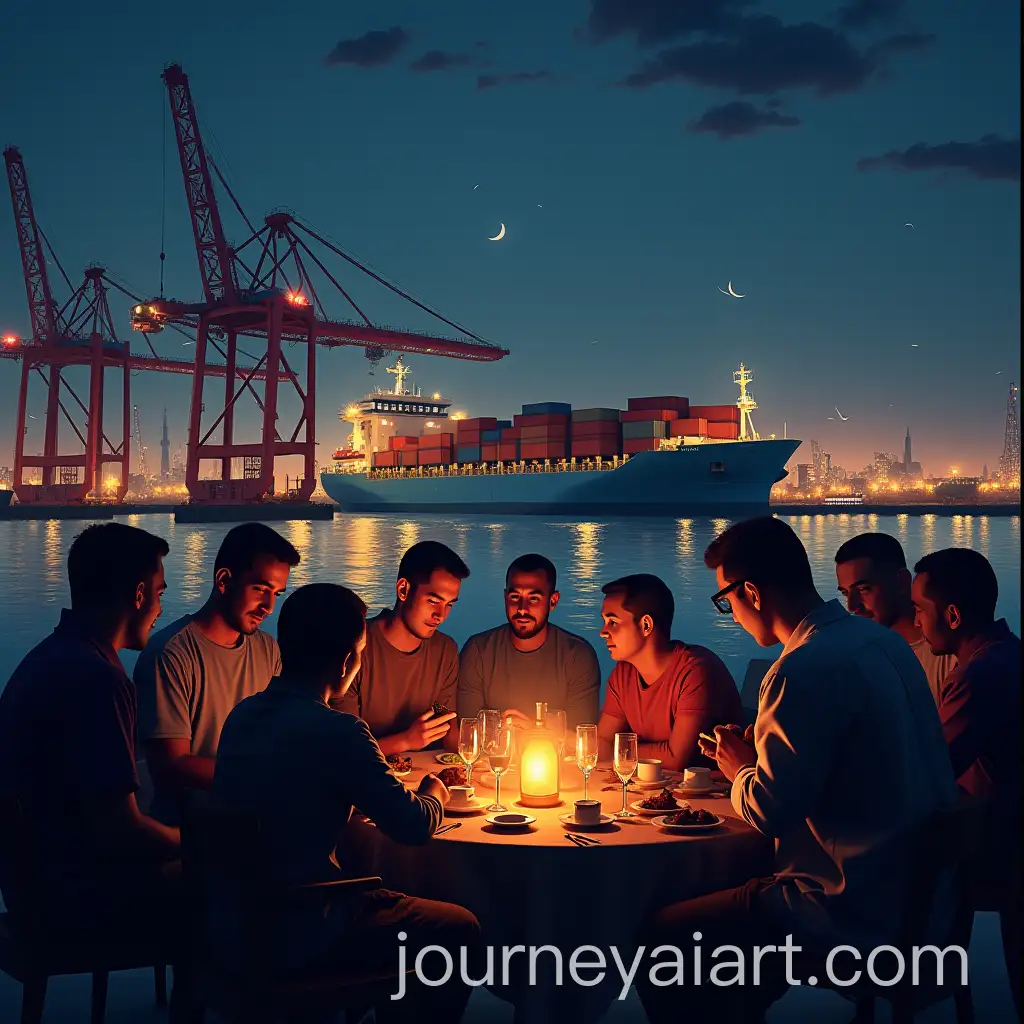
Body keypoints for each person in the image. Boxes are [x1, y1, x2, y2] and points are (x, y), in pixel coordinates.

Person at [634, 516, 957, 1024]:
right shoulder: (884, 644)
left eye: (726, 600)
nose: (731, 615)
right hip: (926, 900)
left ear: (753, 593)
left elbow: (772, 812)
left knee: (663, 937)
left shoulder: (799, 670)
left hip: (848, 910)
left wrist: (740, 766)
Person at [211, 583, 482, 1021]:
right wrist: (434, 790)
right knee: (459, 927)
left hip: (231, 922)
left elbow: (292, 793)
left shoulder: (243, 715)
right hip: (300, 926)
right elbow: (412, 826)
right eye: (360, 652)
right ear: (344, 662)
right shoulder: (341, 731)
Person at [0, 523, 182, 959]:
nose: (160, 607)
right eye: (159, 592)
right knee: (239, 878)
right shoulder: (101, 680)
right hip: (76, 898)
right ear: (138, 595)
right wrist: (194, 839)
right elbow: (119, 829)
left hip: (28, 886)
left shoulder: (47, 658)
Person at [912, 547, 1021, 1015]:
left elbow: (928, 770)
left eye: (919, 610)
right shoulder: (1006, 655)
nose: (915, 621)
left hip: (1005, 849)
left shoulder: (979, 676)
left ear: (951, 615)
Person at [134, 523, 300, 824]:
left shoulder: (268, 651)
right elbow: (172, 763)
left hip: (254, 820)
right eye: (260, 589)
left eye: (277, 593)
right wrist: (264, 779)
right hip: (186, 830)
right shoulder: (171, 654)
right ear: (224, 580)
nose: (269, 607)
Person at [596, 573, 741, 773]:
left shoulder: (695, 670)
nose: (603, 632)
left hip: (711, 796)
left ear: (646, 625)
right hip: (651, 789)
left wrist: (619, 749)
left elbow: (676, 758)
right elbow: (603, 742)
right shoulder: (623, 674)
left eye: (613, 622)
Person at [332, 540, 465, 753]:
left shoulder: (445, 650)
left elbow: (448, 732)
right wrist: (405, 741)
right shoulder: (357, 645)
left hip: (425, 777)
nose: (441, 615)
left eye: (449, 604)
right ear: (403, 590)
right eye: (433, 601)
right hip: (360, 778)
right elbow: (343, 748)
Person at [457, 553, 601, 732]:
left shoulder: (577, 656)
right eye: (515, 597)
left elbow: (581, 736)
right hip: (492, 759)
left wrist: (533, 730)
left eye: (534, 598)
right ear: (505, 597)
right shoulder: (478, 651)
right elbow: (467, 730)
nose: (522, 609)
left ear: (553, 601)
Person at [835, 531, 955, 703]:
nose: (852, 606)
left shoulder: (948, 658)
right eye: (846, 593)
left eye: (864, 589)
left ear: (902, 582)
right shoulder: (855, 657)